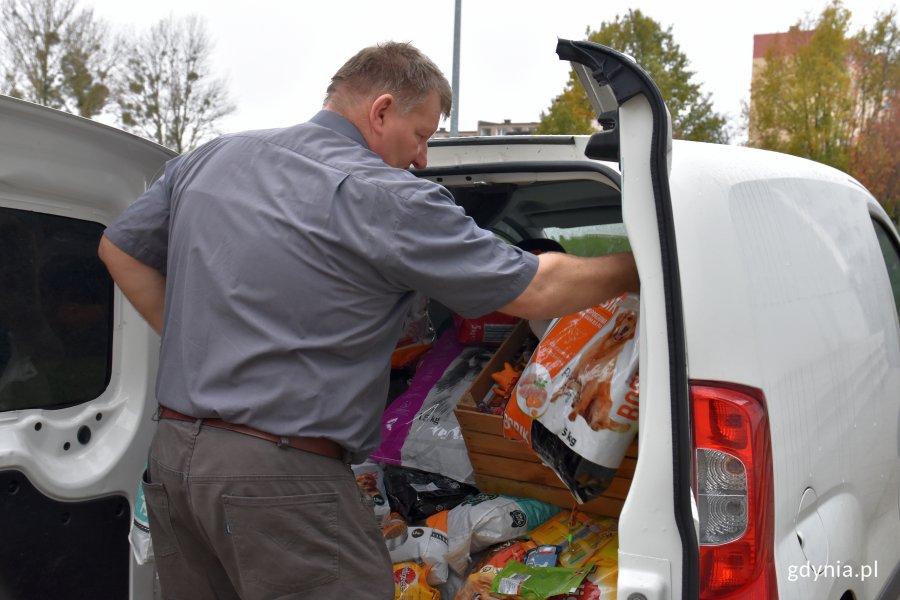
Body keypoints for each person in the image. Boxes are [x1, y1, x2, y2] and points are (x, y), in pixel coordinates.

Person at [98, 41, 638, 599]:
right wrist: (646, 263)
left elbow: (119, 249)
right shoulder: (386, 196)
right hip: (280, 478)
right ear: (381, 111)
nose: (423, 159)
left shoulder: (208, 159)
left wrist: (205, 346)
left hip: (174, 457)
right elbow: (540, 288)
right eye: (421, 135)